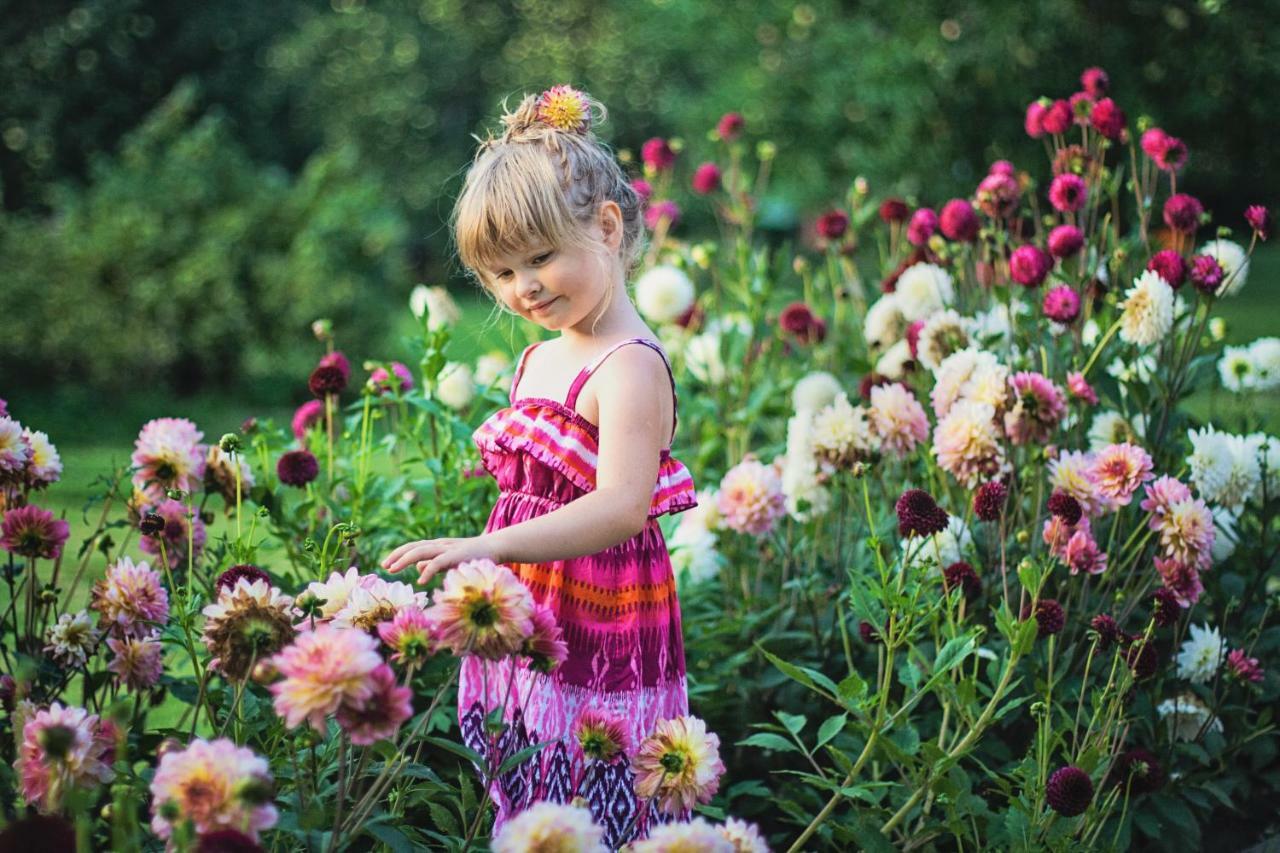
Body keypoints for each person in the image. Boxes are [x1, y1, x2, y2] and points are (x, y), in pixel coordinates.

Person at [381, 85, 696, 847]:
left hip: (602, 622)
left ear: (608, 227)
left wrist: (485, 548)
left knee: (596, 789)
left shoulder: (628, 367)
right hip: (536, 613)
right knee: (529, 780)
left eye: (541, 257)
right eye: (501, 273)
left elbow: (622, 505)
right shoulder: (538, 359)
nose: (522, 287)